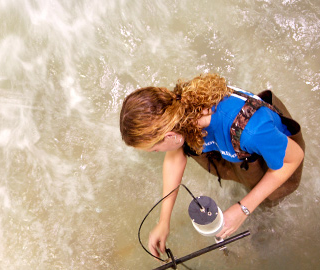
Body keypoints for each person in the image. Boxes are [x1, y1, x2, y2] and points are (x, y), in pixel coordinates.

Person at [119, 73, 305, 259]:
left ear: (169, 136)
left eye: (154, 150)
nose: (157, 153)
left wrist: (243, 209)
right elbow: (176, 156)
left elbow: (292, 159)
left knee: (267, 205)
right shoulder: (177, 112)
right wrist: (163, 221)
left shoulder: (252, 131)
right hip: (239, 149)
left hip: (277, 150)